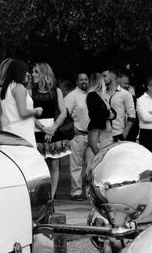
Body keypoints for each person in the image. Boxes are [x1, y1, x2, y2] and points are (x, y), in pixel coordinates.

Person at [31, 62, 71, 198]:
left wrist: (52, 129)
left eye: (36, 72)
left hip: (53, 129)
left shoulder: (56, 91)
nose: (33, 75)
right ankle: (40, 198)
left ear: (44, 73)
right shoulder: (30, 91)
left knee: (55, 166)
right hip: (36, 130)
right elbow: (29, 115)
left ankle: (51, 199)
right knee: (40, 167)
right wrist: (43, 129)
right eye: (33, 72)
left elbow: (63, 112)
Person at [0, 58, 42, 147]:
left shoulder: (6, 89)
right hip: (22, 134)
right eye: (25, 71)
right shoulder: (19, 88)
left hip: (10, 133)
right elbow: (23, 113)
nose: (28, 74)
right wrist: (36, 110)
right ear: (19, 72)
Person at [64, 72, 92, 201]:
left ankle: (90, 192)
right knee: (76, 165)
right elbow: (64, 114)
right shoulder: (72, 96)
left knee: (91, 165)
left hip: (91, 135)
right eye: (81, 80)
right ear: (77, 82)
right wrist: (73, 129)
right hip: (78, 135)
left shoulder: (91, 95)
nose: (84, 81)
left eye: (86, 79)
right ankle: (76, 192)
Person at [87, 73, 116, 154]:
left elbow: (114, 113)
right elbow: (101, 113)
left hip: (106, 133)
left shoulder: (102, 96)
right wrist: (109, 113)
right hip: (98, 132)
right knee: (99, 156)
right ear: (99, 82)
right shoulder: (92, 95)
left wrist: (109, 113)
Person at [110, 71, 136, 141]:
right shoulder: (104, 92)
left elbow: (132, 115)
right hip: (105, 134)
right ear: (117, 81)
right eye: (125, 83)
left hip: (119, 133)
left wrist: (124, 135)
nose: (127, 85)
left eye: (128, 83)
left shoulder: (127, 94)